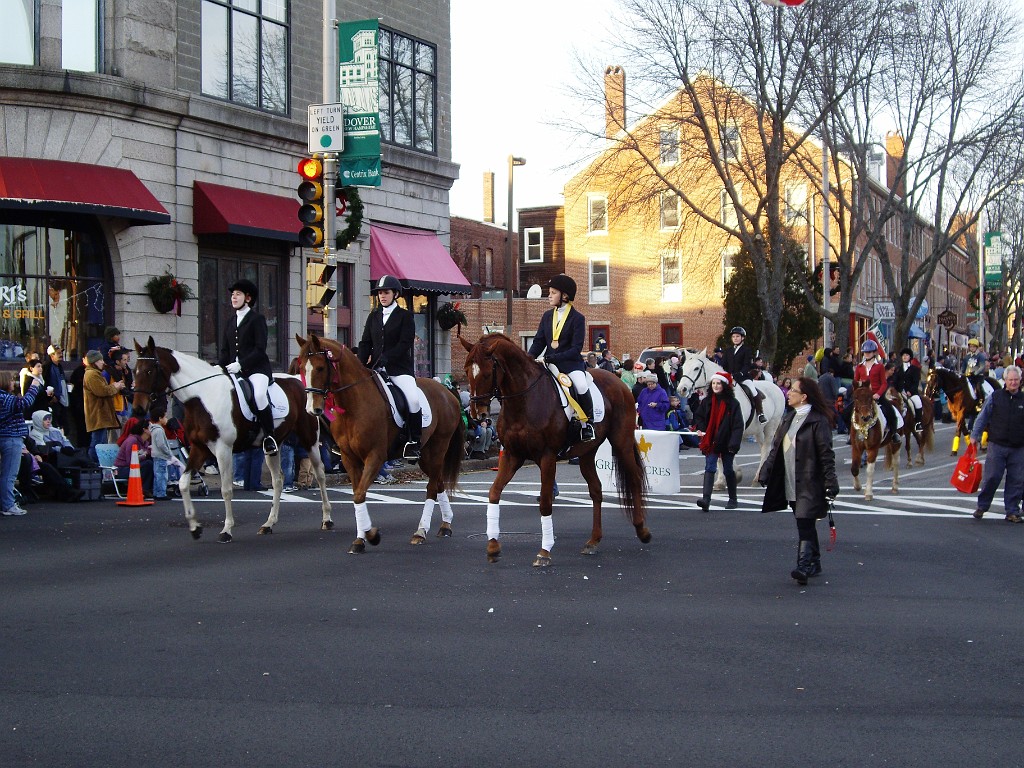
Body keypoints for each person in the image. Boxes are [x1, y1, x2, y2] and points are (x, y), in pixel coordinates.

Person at [758, 376, 840, 585]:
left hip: (809, 480)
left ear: (804, 397)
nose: (788, 393)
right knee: (804, 521)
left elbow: (826, 454)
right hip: (790, 479)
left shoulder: (818, 421)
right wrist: (766, 471)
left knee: (804, 522)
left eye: (793, 390)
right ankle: (815, 561)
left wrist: (830, 482)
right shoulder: (789, 418)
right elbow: (776, 448)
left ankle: (803, 566)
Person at [356, 275, 424, 460]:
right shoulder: (374, 316)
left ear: (395, 294)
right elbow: (365, 342)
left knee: (413, 400)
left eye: (386, 292)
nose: (382, 296)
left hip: (399, 369)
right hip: (374, 369)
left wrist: (387, 358)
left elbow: (405, 343)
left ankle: (414, 441)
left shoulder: (405, 316)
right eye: (380, 293)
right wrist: (360, 364)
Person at [527, 273, 595, 442]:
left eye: (553, 292)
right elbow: (539, 342)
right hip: (549, 365)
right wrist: (528, 358)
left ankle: (587, 424)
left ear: (564, 296)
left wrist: (551, 358)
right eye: (549, 292)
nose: (549, 296)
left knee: (581, 385)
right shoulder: (547, 316)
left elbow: (576, 349)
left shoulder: (577, 318)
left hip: (570, 365)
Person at [219, 278, 278, 455]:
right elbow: (225, 351)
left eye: (238, 294)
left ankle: (269, 436)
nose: (233, 297)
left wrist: (241, 364)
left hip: (256, 369)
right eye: (233, 294)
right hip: (233, 369)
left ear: (248, 298)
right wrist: (218, 367)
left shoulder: (257, 319)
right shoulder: (230, 321)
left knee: (259, 395)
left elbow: (260, 349)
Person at [970, 365, 1023, 523]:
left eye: (1016, 380)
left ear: (1020, 380)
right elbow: (983, 417)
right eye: (1010, 380)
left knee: (1016, 480)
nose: (1013, 382)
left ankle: (1012, 511)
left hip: (1018, 447)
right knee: (992, 477)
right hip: (997, 445)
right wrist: (975, 435)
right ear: (1005, 380)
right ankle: (982, 506)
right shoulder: (995, 397)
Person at [692, 370, 744, 511]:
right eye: (713, 383)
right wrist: (702, 429)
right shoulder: (706, 401)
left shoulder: (733, 403)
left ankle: (733, 499)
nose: (715, 386)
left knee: (728, 469)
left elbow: (738, 425)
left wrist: (734, 443)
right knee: (709, 467)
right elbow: (699, 417)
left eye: (718, 383)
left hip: (727, 441)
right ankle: (706, 499)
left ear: (724, 385)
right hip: (711, 440)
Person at [0, 368, 44, 516]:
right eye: (11, 380)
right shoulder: (5, 398)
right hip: (11, 437)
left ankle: (6, 503)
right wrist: (34, 387)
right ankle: (8, 505)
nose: (13, 383)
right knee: (9, 474)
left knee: (5, 473)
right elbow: (25, 403)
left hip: (4, 436)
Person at [849, 340, 901, 446]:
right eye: (865, 352)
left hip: (877, 396)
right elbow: (856, 382)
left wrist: (878, 394)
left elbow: (884, 383)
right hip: (863, 398)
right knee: (846, 412)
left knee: (891, 412)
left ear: (874, 353)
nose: (867, 354)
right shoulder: (859, 367)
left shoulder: (879, 367)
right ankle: (851, 434)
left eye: (869, 352)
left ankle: (894, 434)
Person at [83, 349, 126, 463]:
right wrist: (115, 387)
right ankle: (94, 465)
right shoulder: (92, 374)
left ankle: (98, 464)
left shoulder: (96, 373)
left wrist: (114, 386)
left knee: (100, 441)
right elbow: (102, 391)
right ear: (94, 362)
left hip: (101, 413)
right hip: (97, 413)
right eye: (100, 360)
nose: (103, 362)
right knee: (97, 443)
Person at [721, 326, 766, 423]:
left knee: (753, 390)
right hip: (730, 377)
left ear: (742, 338)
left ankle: (760, 413)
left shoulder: (746, 350)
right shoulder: (728, 350)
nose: (735, 338)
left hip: (743, 378)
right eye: (733, 337)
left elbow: (747, 365)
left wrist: (740, 373)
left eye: (737, 336)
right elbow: (723, 365)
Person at [149, 405, 182, 501]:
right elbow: (161, 444)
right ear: (160, 418)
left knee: (157, 475)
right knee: (162, 475)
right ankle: (161, 493)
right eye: (165, 417)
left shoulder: (153, 429)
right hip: (161, 455)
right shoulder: (159, 430)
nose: (166, 419)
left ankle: (156, 492)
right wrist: (168, 453)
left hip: (156, 455)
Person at [114, 419, 153, 497]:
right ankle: (144, 489)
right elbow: (130, 461)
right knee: (148, 464)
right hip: (122, 469)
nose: (153, 429)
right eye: (151, 427)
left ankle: (148, 488)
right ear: (145, 430)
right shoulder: (132, 440)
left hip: (132, 467)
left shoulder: (145, 442)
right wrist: (145, 455)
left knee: (152, 463)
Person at [892, 347, 924, 433]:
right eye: (903, 355)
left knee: (918, 402)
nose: (905, 357)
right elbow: (895, 381)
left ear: (910, 357)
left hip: (911, 393)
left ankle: (918, 423)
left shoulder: (915, 369)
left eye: (906, 355)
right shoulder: (898, 369)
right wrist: (896, 390)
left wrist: (910, 391)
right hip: (900, 392)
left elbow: (915, 382)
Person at [42, 344, 69, 430]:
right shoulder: (47, 367)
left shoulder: (59, 366)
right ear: (52, 355)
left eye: (61, 353)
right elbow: (44, 383)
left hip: (62, 399)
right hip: (53, 401)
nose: (61, 355)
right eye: (58, 353)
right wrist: (51, 397)